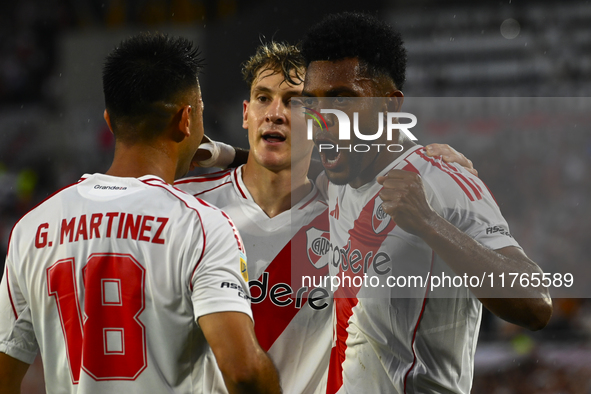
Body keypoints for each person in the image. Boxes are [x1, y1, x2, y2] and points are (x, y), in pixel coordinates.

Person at [179, 42, 480, 394]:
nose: (274, 113)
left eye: (293, 102)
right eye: (263, 98)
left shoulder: (350, 210)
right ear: (246, 113)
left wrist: (439, 170)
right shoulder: (189, 207)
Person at [0, 33, 281, 394]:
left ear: (109, 120)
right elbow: (244, 373)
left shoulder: (33, 228)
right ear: (186, 119)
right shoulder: (200, 225)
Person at [299, 12, 553, 394]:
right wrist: (216, 153)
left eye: (344, 100)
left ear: (389, 106)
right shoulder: (340, 175)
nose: (323, 120)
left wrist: (429, 224)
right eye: (312, 104)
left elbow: (535, 305)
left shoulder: (443, 182)